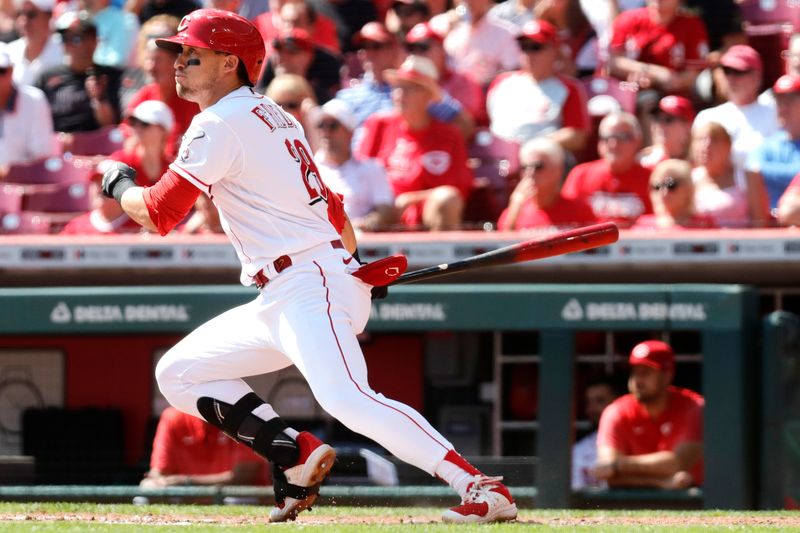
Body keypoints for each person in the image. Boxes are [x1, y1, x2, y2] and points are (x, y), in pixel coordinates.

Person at [101, 8, 517, 524]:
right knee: (181, 373)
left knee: (348, 399)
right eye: (179, 52)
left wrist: (118, 185)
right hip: (294, 285)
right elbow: (333, 209)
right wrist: (351, 263)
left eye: (192, 53)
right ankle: (294, 453)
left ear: (229, 62)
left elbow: (161, 214)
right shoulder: (276, 114)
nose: (179, 61)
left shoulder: (219, 122)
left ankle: (479, 485)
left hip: (306, 281)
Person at [355, 55, 474, 231]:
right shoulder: (378, 125)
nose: (400, 94)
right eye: (397, 87)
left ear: (428, 96)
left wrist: (410, 199)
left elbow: (458, 191)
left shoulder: (449, 135)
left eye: (409, 88)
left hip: (428, 217)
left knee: (445, 200)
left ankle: (438, 257)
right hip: (381, 211)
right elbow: (359, 173)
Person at [593, 340, 704, 489]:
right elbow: (606, 472)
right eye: (634, 372)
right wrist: (661, 482)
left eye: (645, 373)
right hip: (629, 504)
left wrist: (618, 464)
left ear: (667, 375)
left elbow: (678, 463)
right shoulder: (616, 411)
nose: (637, 380)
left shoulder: (694, 406)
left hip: (693, 502)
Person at [486, 19, 589, 153]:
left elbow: (576, 136)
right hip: (497, 159)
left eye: (535, 47)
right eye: (524, 46)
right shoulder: (500, 82)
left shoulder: (569, 88)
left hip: (541, 161)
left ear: (554, 50)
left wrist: (531, 147)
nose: (529, 54)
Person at [313, 98, 397, 232]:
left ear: (350, 132)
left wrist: (361, 225)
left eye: (333, 125)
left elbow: (386, 211)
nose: (326, 132)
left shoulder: (372, 168)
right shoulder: (307, 170)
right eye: (321, 125)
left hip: (360, 245)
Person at [692, 45, 779, 173]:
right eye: (727, 71)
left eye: (738, 72)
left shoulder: (777, 110)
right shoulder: (707, 118)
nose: (731, 79)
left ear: (757, 76)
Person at [561, 111, 653, 228]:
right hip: (591, 244)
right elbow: (566, 218)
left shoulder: (652, 178)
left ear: (638, 141)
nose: (614, 143)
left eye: (623, 137)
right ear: (599, 143)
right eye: (607, 137)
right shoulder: (580, 175)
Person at [140, 406, 269, 488]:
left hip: (234, 495)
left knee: (237, 497)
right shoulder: (173, 416)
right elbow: (160, 471)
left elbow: (245, 475)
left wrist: (186, 482)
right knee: (148, 487)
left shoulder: (243, 417)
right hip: (187, 496)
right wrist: (157, 479)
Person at [34, 11, 121, 133]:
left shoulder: (110, 77)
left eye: (75, 39)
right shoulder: (46, 77)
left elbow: (112, 128)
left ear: (93, 41)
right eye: (64, 39)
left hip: (97, 147)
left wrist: (99, 99)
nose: (67, 44)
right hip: (56, 145)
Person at [125, 16, 199, 156]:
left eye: (158, 60)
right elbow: (126, 131)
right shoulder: (145, 95)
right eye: (149, 59)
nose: (150, 67)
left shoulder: (193, 99)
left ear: (176, 61)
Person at [607, 0, 709, 96]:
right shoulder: (628, 18)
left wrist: (673, 81)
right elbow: (613, 62)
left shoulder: (691, 25)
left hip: (669, 98)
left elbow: (693, 73)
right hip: (625, 91)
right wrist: (657, 73)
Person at [497, 137, 596, 230]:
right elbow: (503, 245)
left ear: (558, 170)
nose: (530, 172)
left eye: (538, 166)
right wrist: (515, 209)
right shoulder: (513, 212)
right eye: (525, 167)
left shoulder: (581, 211)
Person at [691, 121, 769, 228]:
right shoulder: (690, 179)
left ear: (729, 146)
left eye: (714, 140)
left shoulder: (748, 177)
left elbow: (760, 224)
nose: (706, 145)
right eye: (700, 139)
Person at [745, 74, 800, 217]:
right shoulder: (768, 144)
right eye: (779, 101)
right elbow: (751, 170)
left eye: (790, 101)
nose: (783, 108)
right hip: (770, 228)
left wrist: (765, 171)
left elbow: (758, 170)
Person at [0, 44, 57, 170]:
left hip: (23, 185)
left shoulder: (34, 100)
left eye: (1, 71)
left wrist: (8, 172)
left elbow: (42, 159)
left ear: (11, 70)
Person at [441, 0, 520, 87]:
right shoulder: (451, 30)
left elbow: (512, 73)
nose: (468, 2)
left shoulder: (505, 33)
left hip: (486, 96)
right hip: (452, 95)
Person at [632, 158, 716, 229]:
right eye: (657, 186)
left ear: (687, 189)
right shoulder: (644, 225)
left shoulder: (703, 224)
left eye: (671, 185)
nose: (664, 192)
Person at [110, 100, 174, 186]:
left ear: (163, 130)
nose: (137, 127)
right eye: (133, 121)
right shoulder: (120, 162)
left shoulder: (174, 169)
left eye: (145, 123)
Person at [572, 376, 619, 491]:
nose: (592, 409)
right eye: (589, 402)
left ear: (618, 402)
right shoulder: (579, 449)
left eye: (600, 400)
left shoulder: (637, 439)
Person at [6, 0, 63, 87]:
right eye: (19, 14)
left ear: (48, 16)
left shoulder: (64, 51)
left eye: (31, 14)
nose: (23, 21)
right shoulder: (9, 52)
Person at [638, 95, 694, 169]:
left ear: (688, 126)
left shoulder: (701, 161)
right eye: (657, 119)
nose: (660, 125)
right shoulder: (642, 160)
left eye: (668, 119)